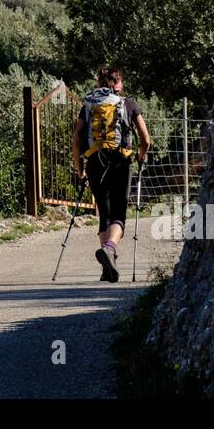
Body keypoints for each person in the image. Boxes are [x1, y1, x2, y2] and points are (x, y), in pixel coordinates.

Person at [72, 67, 151, 283]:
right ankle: (109, 248)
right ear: (119, 83)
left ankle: (108, 264)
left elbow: (77, 140)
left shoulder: (88, 105)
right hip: (120, 161)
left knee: (104, 214)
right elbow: (146, 139)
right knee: (118, 214)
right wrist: (141, 157)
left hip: (94, 161)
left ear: (99, 84)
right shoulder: (129, 103)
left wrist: (80, 170)